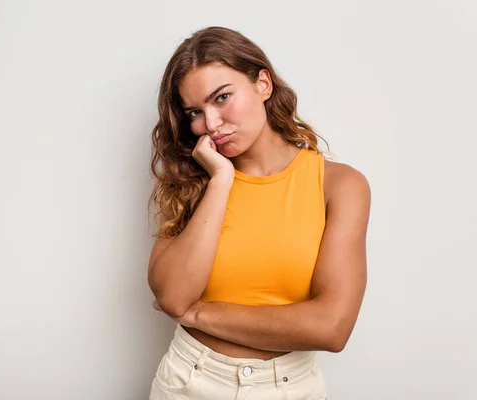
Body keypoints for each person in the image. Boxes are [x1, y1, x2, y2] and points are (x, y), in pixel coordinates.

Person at [147, 26, 371, 400]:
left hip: (289, 388)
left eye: (222, 97)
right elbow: (173, 296)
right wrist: (220, 179)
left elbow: (332, 327)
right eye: (194, 113)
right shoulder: (190, 183)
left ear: (263, 84)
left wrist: (199, 316)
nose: (211, 124)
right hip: (188, 381)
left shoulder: (338, 185)